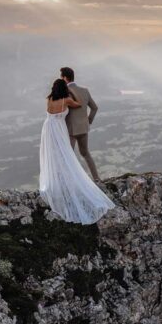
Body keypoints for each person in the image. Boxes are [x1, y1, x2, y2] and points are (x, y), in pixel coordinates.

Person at [39, 78, 115, 224]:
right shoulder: (66, 100)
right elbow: (79, 103)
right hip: (60, 129)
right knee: (67, 155)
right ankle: (78, 179)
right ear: (64, 89)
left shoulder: (49, 99)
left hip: (48, 129)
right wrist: (71, 92)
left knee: (52, 155)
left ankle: (54, 181)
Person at [60, 67, 101, 182]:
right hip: (83, 128)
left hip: (70, 130)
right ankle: (97, 179)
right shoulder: (85, 90)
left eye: (61, 77)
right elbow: (95, 108)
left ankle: (68, 181)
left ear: (65, 78)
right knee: (85, 153)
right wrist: (88, 121)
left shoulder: (65, 92)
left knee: (68, 156)